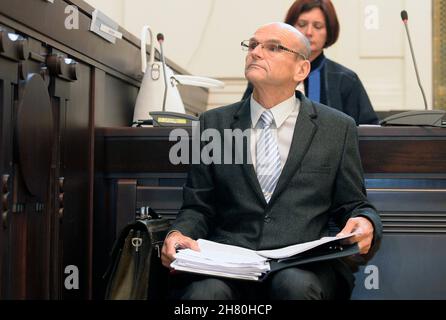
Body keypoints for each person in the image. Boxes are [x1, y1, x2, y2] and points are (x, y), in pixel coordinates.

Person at [161, 22, 382, 300]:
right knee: (204, 293)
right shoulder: (213, 124)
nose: (255, 52)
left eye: (273, 48)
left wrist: (365, 221)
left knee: (293, 286)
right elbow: (198, 206)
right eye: (252, 45)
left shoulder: (336, 128)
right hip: (228, 263)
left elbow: (353, 204)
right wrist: (178, 233)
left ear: (301, 70)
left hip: (302, 266)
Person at [242, 0, 379, 125]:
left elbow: (368, 132)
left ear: (328, 32)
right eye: (302, 24)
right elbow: (242, 121)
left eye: (318, 26)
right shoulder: (266, 71)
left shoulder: (346, 79)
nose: (309, 32)